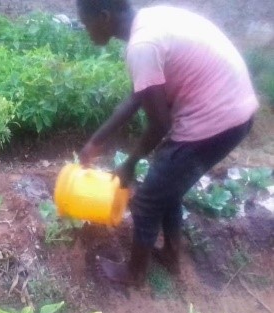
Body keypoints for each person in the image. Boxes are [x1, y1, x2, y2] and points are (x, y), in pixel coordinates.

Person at [76, 0, 259, 285]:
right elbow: (139, 96)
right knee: (166, 181)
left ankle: (134, 274)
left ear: (104, 16)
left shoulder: (142, 46)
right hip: (234, 110)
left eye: (86, 24)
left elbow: (160, 124)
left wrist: (129, 164)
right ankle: (171, 256)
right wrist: (96, 141)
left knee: (148, 199)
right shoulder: (150, 20)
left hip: (216, 119)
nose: (85, 30)